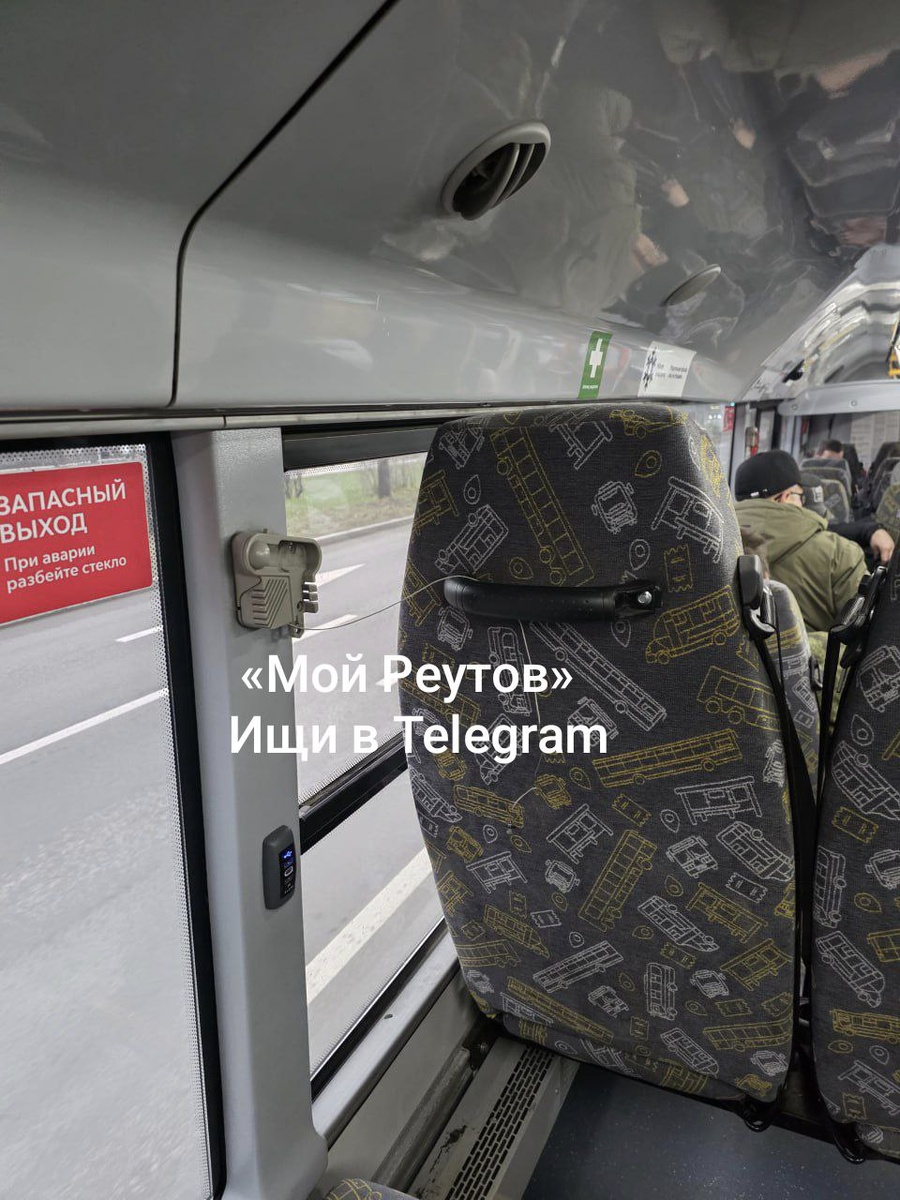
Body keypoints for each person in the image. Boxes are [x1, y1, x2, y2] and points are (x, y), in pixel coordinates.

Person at [734, 449, 866, 633]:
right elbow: (863, 633)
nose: (802, 503)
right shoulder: (841, 553)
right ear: (785, 497)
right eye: (800, 495)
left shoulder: (714, 544)